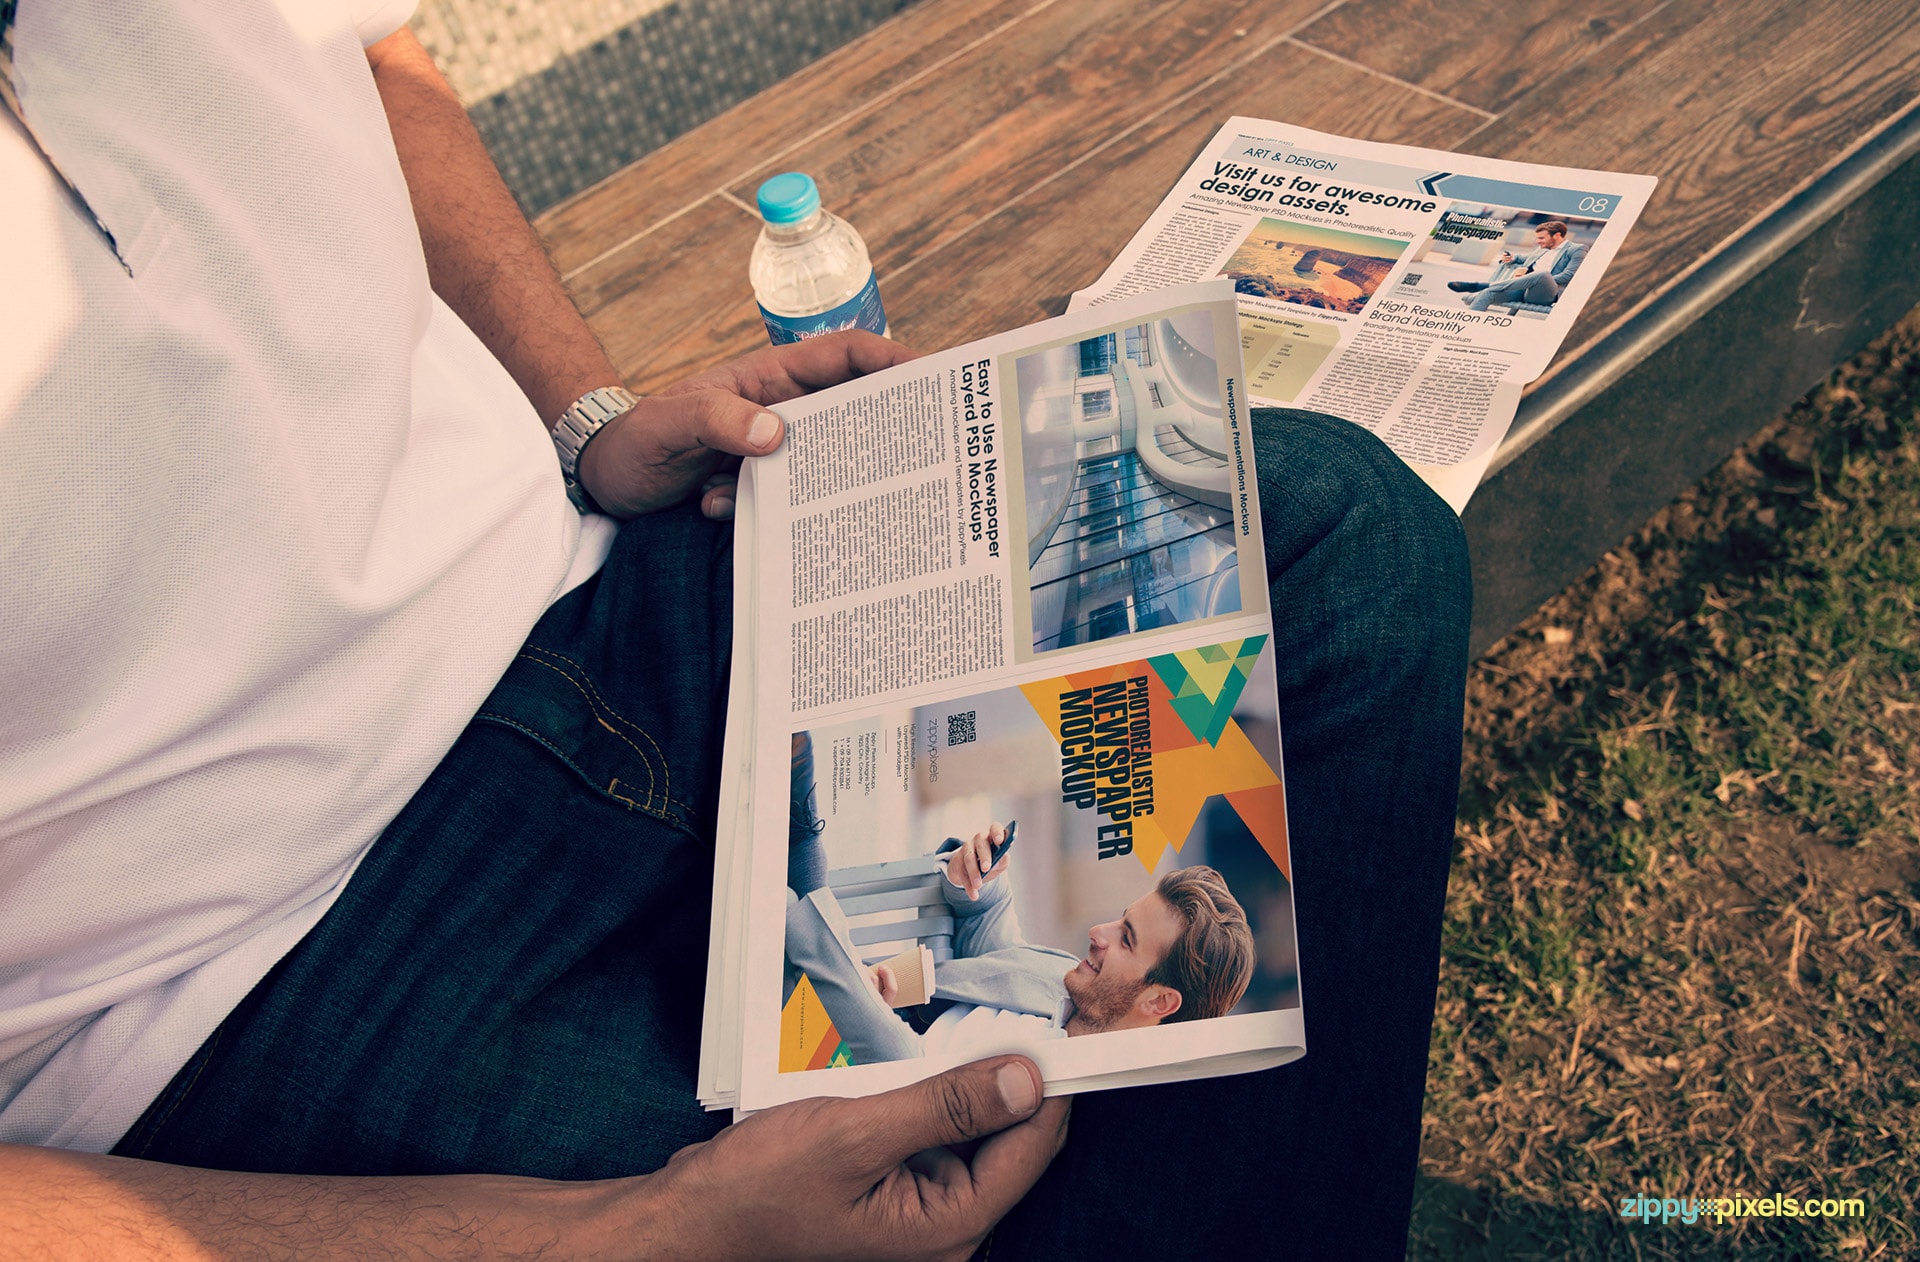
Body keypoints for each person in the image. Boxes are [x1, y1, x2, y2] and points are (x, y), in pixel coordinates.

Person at [1, 2, 1473, 1257]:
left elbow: (368, 56)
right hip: (222, 982)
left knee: (1344, 541)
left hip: (588, 584)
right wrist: (618, 1238)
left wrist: (587, 415)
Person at [786, 825, 1256, 1063]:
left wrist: (866, 995)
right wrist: (978, 872)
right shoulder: (1067, 985)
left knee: (791, 878)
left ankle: (794, 877)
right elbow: (992, 939)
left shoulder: (1065, 1104)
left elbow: (908, 1076)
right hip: (832, 1003)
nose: (1098, 932)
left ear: (1159, 1001)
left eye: (1126, 940)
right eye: (1120, 920)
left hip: (828, 1074)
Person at [1448, 220, 1587, 311]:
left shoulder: (1576, 249)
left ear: (1557, 235)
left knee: (1542, 274)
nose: (1537, 241)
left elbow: (1568, 276)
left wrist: (1533, 279)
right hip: (1520, 289)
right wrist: (1513, 258)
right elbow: (1526, 259)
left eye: (1541, 238)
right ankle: (1470, 322)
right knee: (1487, 294)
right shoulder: (1543, 248)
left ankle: (1478, 286)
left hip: (1544, 294)